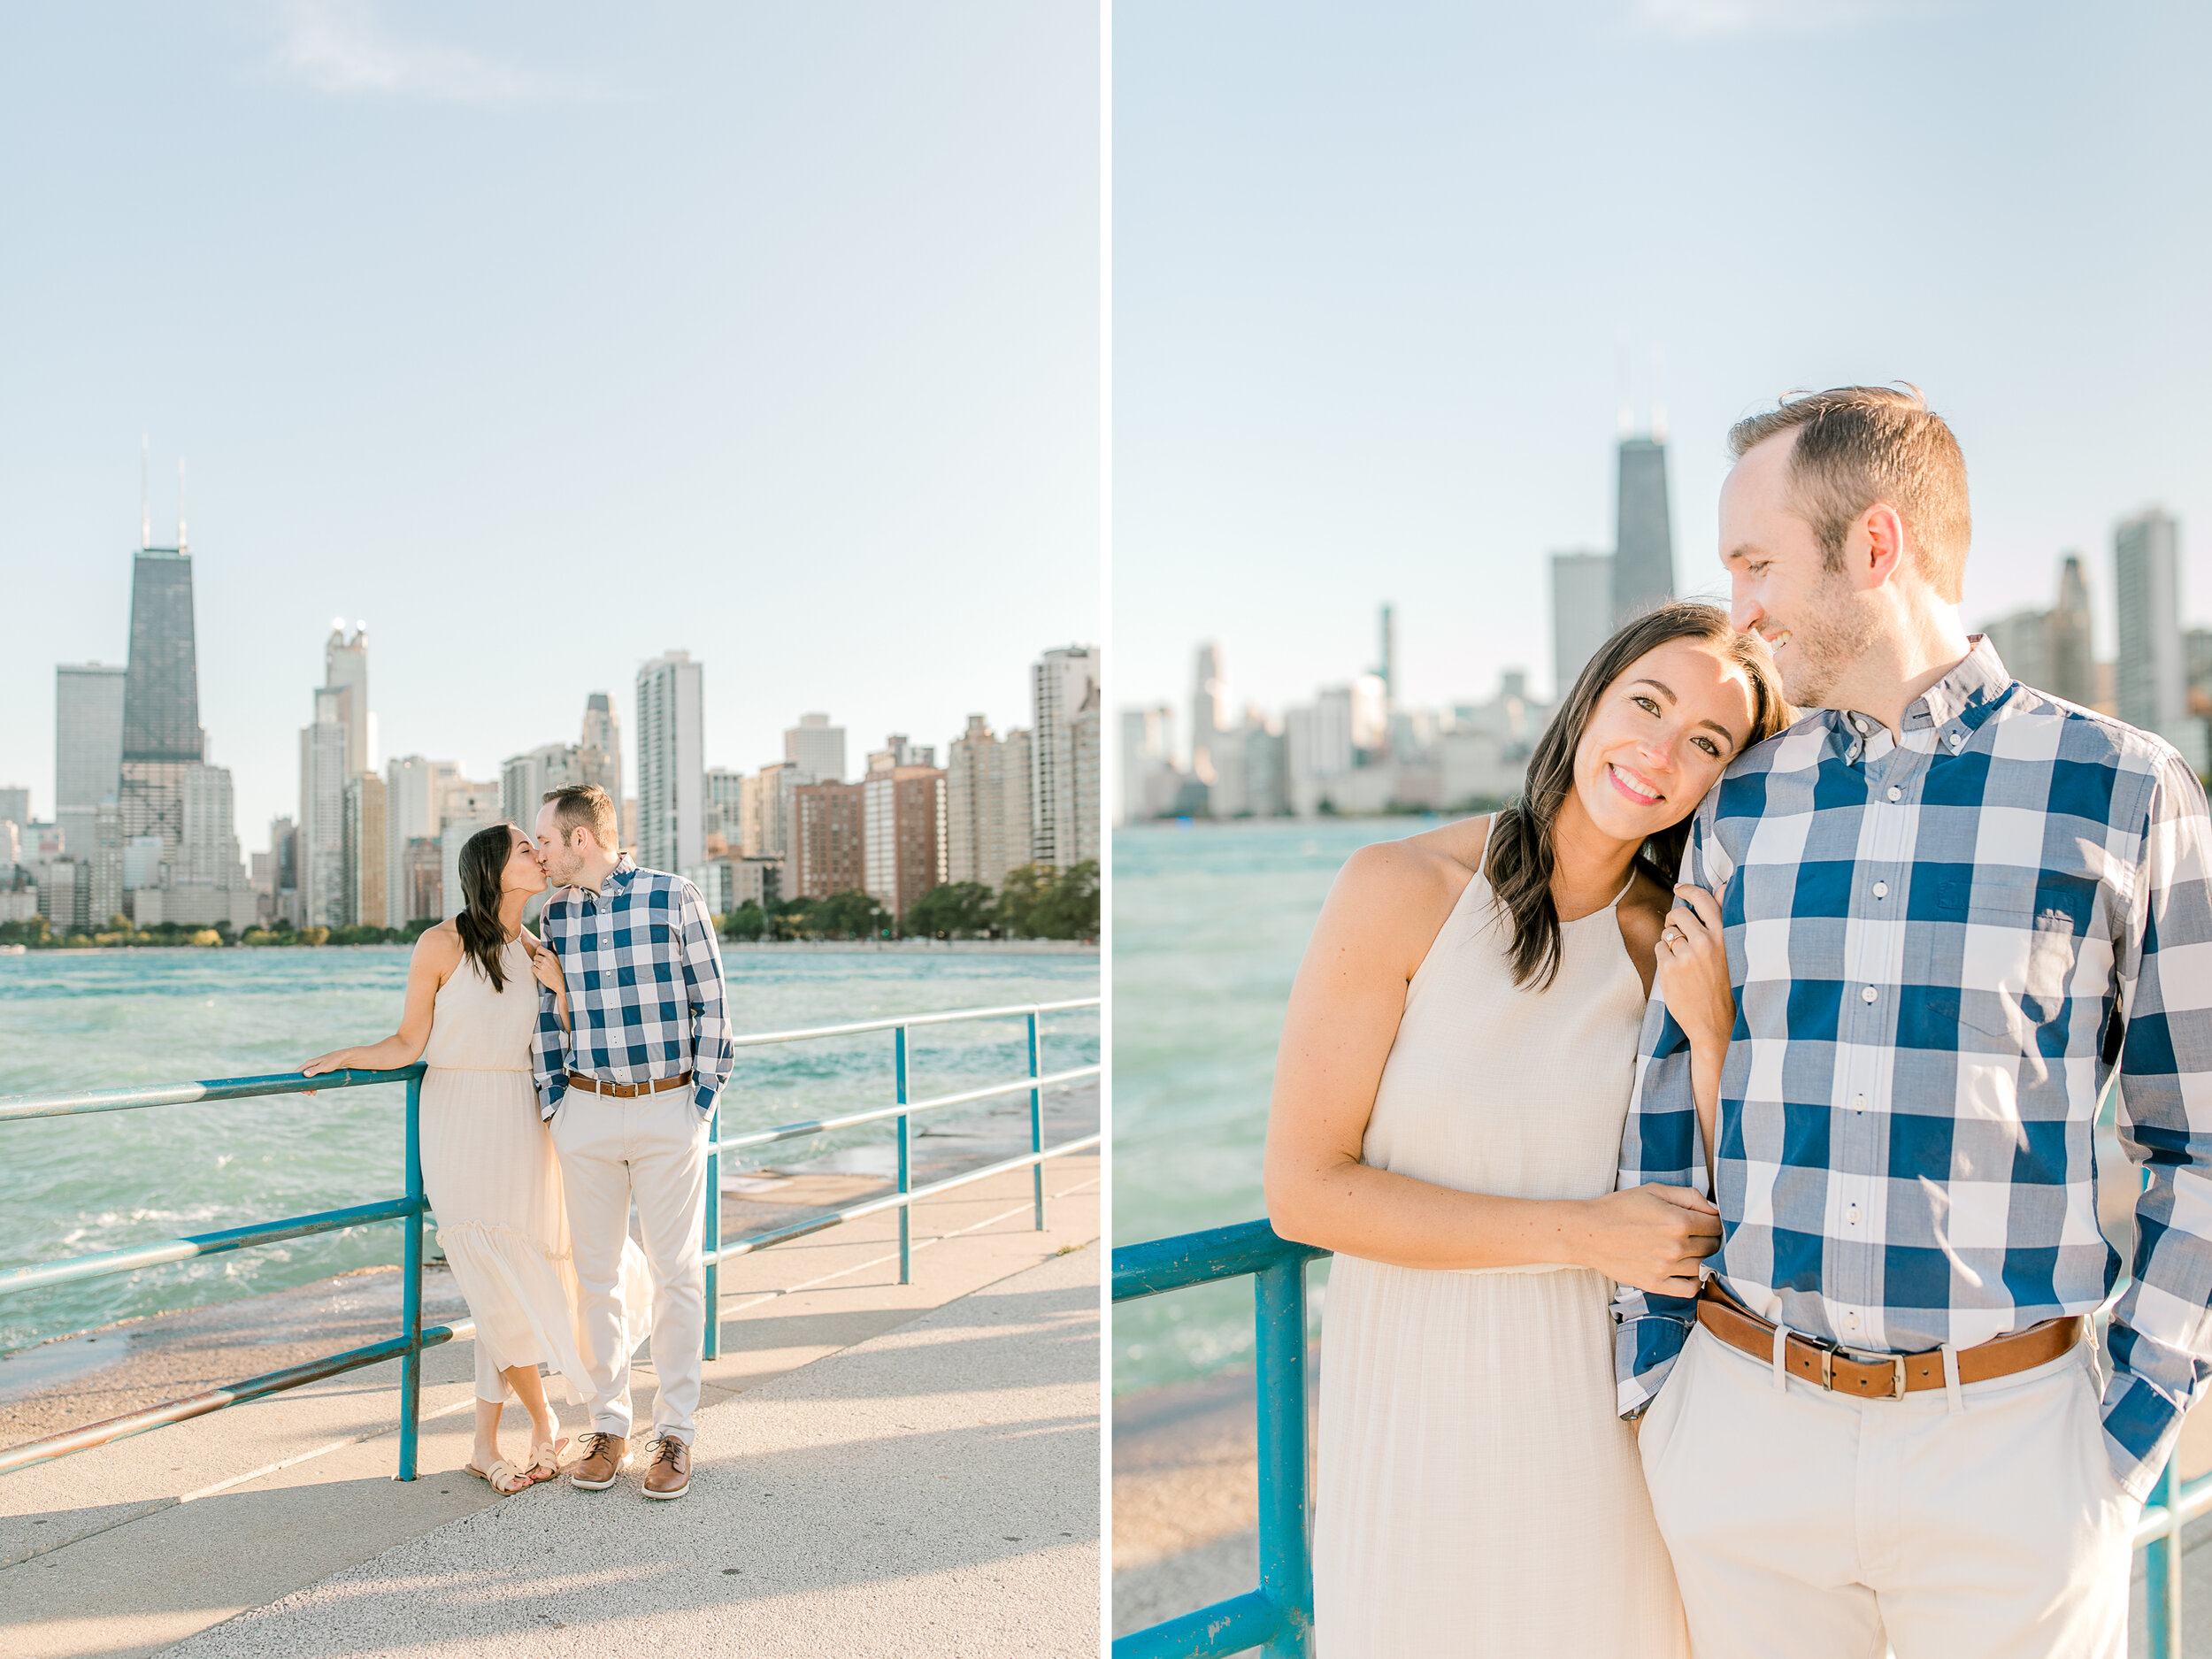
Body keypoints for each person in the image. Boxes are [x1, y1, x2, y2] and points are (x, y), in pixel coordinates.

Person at [1614, 386, 2212, 1659]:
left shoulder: (2123, 787)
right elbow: (1668, 1096)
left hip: (2013, 1458)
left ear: (1875, 546)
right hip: (1743, 1432)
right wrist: (1657, 1383)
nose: (1744, 607)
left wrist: (2128, 1427)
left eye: (1758, 560)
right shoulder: (1742, 800)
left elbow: (2198, 1138)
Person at [1264, 601, 1786, 1655]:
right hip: (1415, 1410)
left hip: (1603, 1426)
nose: (1659, 751)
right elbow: (1304, 1191)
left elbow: (1743, 1192)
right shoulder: (1400, 887)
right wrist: (1582, 1232)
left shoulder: (1674, 942)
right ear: (1588, 699)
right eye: (1646, 703)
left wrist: (1718, 1030)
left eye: (1705, 743)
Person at [303, 822, 607, 1496]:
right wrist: (351, 1054)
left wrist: (559, 990)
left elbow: (563, 1037)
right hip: (459, 1117)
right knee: (488, 1269)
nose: (540, 853)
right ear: (494, 866)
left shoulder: (535, 946)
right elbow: (410, 1041)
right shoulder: (439, 942)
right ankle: (545, 1416)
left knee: (517, 1276)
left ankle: (482, 1443)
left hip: (524, 1120)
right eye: (527, 847)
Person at [530, 782, 733, 1502]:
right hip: (585, 1110)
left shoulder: (674, 896)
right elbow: (548, 1018)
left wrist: (697, 1104)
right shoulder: (552, 914)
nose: (540, 853)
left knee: (677, 1273)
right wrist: (556, 1103)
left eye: (547, 840)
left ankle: (675, 1432)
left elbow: (714, 1006)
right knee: (595, 1278)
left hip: (667, 1108)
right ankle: (609, 1425)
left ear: (580, 839)